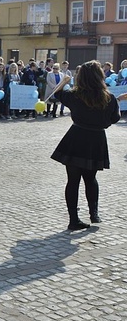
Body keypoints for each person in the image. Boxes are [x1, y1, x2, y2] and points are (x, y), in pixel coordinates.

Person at [50, 61, 125, 230]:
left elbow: (57, 94)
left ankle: (73, 219)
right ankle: (94, 213)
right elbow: (114, 119)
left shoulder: (75, 95)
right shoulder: (109, 98)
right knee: (91, 179)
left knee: (73, 181)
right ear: (100, 77)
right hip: (96, 139)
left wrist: (64, 81)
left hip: (76, 137)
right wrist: (117, 103)